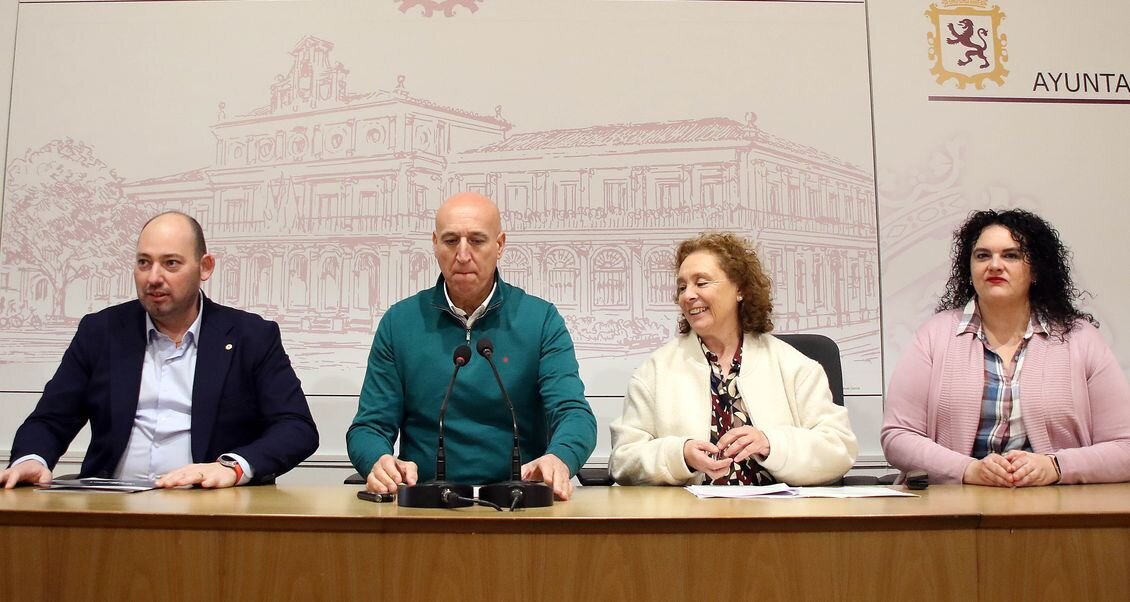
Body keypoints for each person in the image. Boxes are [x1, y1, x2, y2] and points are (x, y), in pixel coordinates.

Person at [1, 212, 319, 489]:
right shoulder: (102, 332)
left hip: (211, 510)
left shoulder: (251, 336)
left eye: (170, 263)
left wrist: (231, 467)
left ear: (204, 267)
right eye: (144, 263)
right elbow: (50, 419)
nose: (154, 278)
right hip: (111, 508)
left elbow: (296, 428)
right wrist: (32, 458)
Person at [347, 192, 596, 500]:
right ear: (435, 244)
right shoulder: (399, 323)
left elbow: (574, 414)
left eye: (477, 241)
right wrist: (378, 461)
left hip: (519, 503)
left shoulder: (541, 319)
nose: (463, 254)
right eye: (451, 241)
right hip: (427, 505)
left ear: (500, 245)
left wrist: (560, 457)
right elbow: (368, 427)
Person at [881, 208, 1130, 486]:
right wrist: (967, 469)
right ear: (970, 268)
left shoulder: (1080, 338)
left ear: (1036, 270)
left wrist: (1055, 467)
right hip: (956, 507)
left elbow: (1124, 447)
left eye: (1010, 255)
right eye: (983, 255)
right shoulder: (934, 335)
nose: (995, 265)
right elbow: (898, 437)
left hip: (1057, 508)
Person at [609, 232, 857, 486]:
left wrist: (771, 444)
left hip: (778, 518)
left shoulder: (795, 366)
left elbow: (839, 449)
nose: (688, 295)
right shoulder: (655, 371)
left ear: (740, 289)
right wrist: (679, 455)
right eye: (682, 287)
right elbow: (623, 460)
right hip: (690, 520)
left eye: (701, 283)